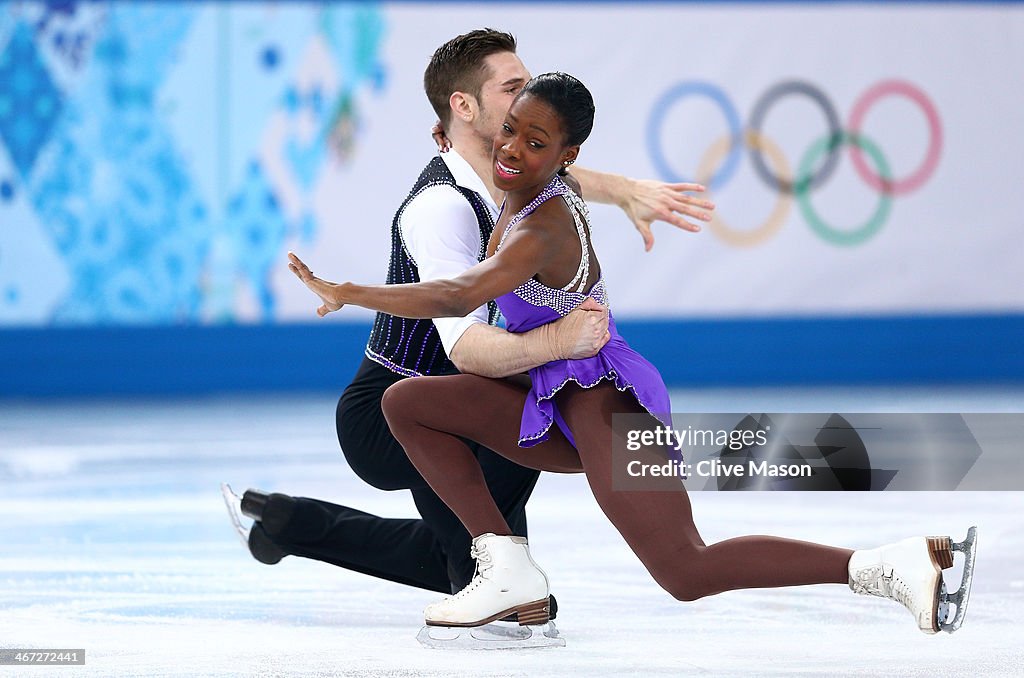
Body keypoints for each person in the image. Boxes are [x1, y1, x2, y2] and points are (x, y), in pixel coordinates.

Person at [288, 72, 975, 635]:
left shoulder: (543, 226)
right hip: (549, 398)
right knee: (407, 403)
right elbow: (569, 180)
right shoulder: (524, 184)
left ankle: (891, 566)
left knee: (686, 569)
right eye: (509, 129)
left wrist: (349, 290)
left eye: (536, 141)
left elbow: (460, 291)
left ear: (565, 156)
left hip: (603, 409)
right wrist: (634, 193)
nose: (513, 148)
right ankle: (504, 566)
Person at [224, 29, 714, 600]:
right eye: (514, 88)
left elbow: (564, 167)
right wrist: (560, 342)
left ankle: (290, 523)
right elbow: (466, 347)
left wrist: (627, 190)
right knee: (506, 575)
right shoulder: (441, 208)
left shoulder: (517, 170)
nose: (530, 97)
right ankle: (504, 577)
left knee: (452, 557)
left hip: (467, 392)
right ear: (464, 106)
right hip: (397, 408)